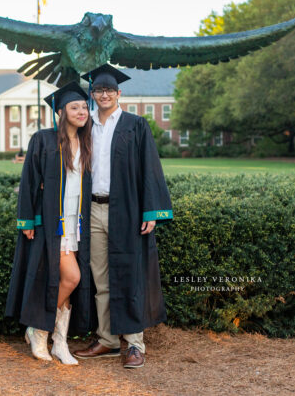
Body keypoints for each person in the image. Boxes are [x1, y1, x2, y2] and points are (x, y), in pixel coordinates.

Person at [73, 64, 173, 369]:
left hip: (126, 210)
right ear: (93, 94)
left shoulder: (135, 125)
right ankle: (107, 340)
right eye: (98, 90)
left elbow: (149, 169)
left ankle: (133, 343)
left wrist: (151, 210)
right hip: (92, 209)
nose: (104, 95)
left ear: (119, 93)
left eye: (109, 90)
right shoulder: (85, 125)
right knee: (100, 277)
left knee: (129, 275)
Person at [5, 81, 95, 365]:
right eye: (74, 107)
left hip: (77, 222)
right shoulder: (44, 140)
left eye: (84, 107)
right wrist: (27, 219)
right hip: (53, 224)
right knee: (71, 278)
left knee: (64, 281)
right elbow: (30, 180)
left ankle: (60, 342)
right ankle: (39, 329)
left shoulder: (87, 142)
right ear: (61, 111)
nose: (81, 112)